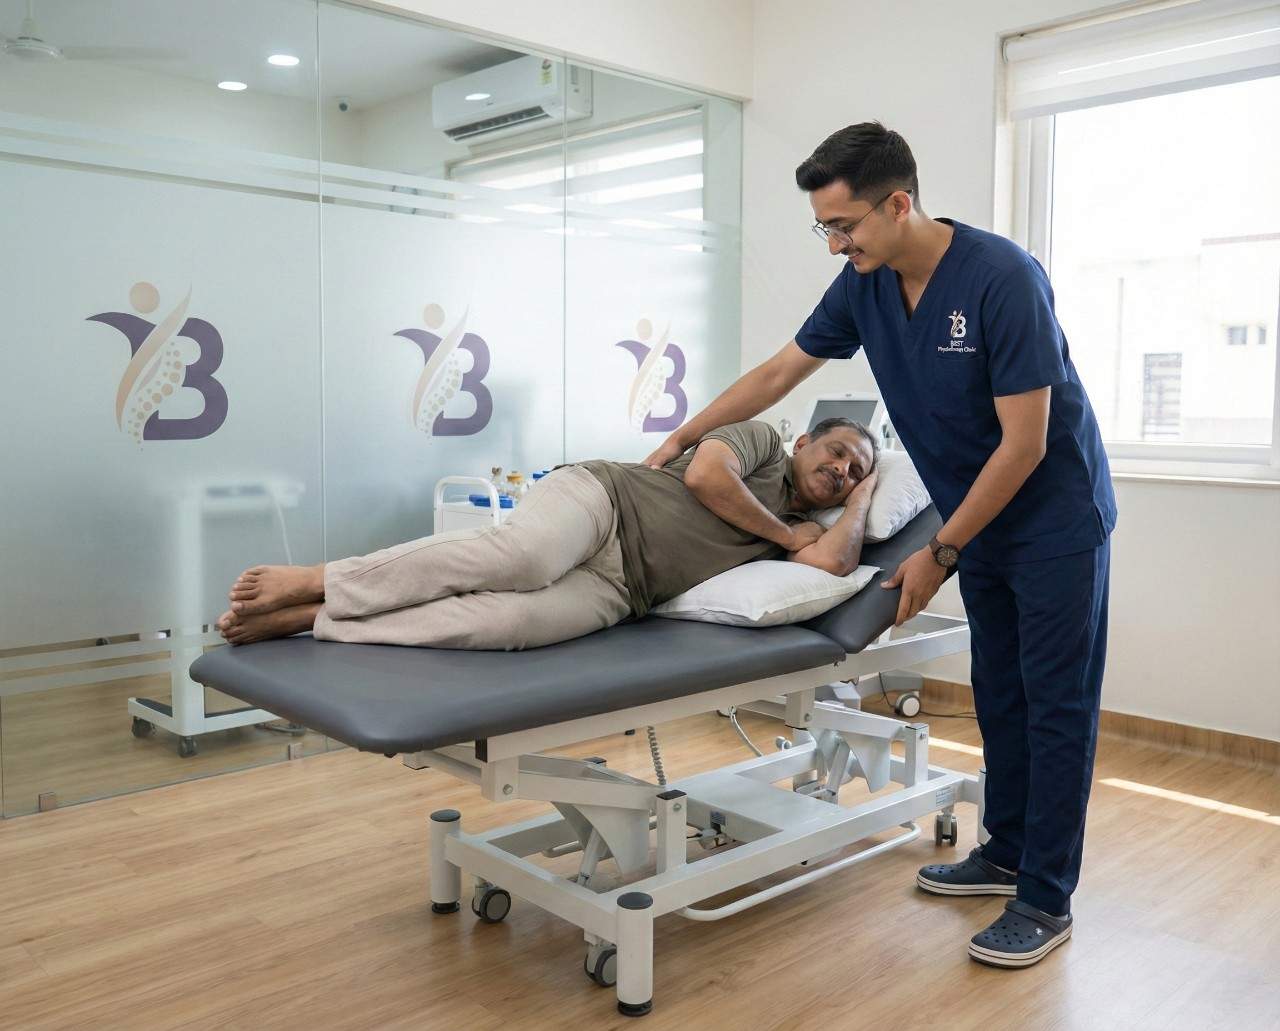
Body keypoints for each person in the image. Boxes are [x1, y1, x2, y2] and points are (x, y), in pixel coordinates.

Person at [643, 122, 1116, 969]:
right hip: (982, 517)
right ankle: (1003, 850)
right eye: (823, 226)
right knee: (998, 694)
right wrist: (686, 432)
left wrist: (941, 551)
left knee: (1055, 705)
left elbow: (1026, 443)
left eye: (845, 224)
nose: (834, 243)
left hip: (1052, 518)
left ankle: (1044, 894)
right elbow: (779, 374)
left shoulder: (1001, 277)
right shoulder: (865, 283)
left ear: (900, 203)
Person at [216, 417, 878, 651]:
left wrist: (871, 490)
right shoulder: (760, 442)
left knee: (507, 623)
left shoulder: (804, 527)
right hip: (605, 501)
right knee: (521, 557)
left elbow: (833, 562)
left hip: (623, 589)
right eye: (839, 451)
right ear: (804, 441)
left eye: (854, 471)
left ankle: (318, 618)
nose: (841, 468)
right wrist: (785, 535)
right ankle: (322, 577)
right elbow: (706, 475)